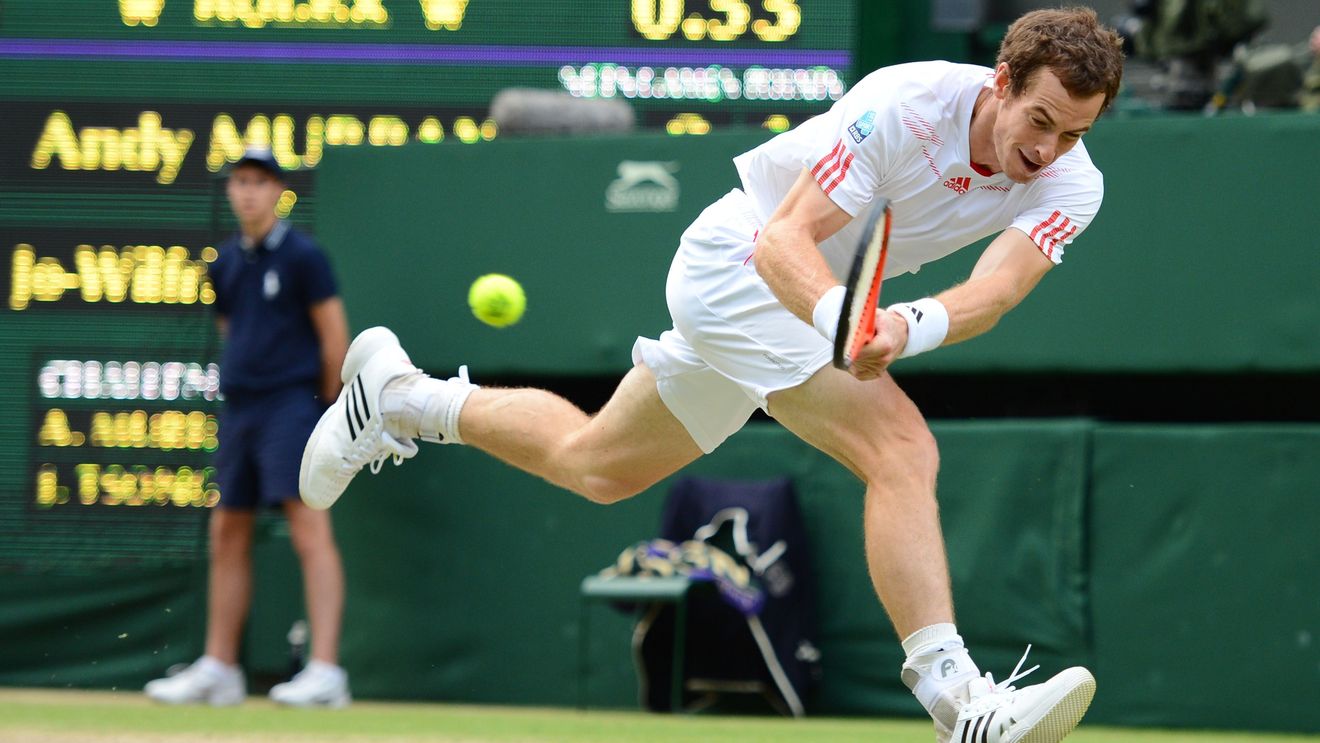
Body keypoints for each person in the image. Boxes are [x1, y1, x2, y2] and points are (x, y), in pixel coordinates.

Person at [301, 7, 1123, 741]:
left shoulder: (1069, 182)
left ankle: (404, 396)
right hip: (742, 267)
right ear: (1002, 82)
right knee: (902, 450)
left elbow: (998, 290)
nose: (1046, 150)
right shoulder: (903, 105)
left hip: (807, 309)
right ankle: (957, 700)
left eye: (1073, 134)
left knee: (597, 465)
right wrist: (843, 321)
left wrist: (904, 326)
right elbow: (781, 242)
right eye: (1041, 121)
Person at [145, 147, 352, 708]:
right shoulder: (226, 264)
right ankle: (220, 667)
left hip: (293, 405)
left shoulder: (306, 257)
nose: (247, 192)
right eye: (239, 182)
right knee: (227, 531)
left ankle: (327, 671)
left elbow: (334, 337)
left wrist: (326, 411)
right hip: (241, 409)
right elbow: (232, 331)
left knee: (309, 529)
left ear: (277, 191)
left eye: (258, 182)